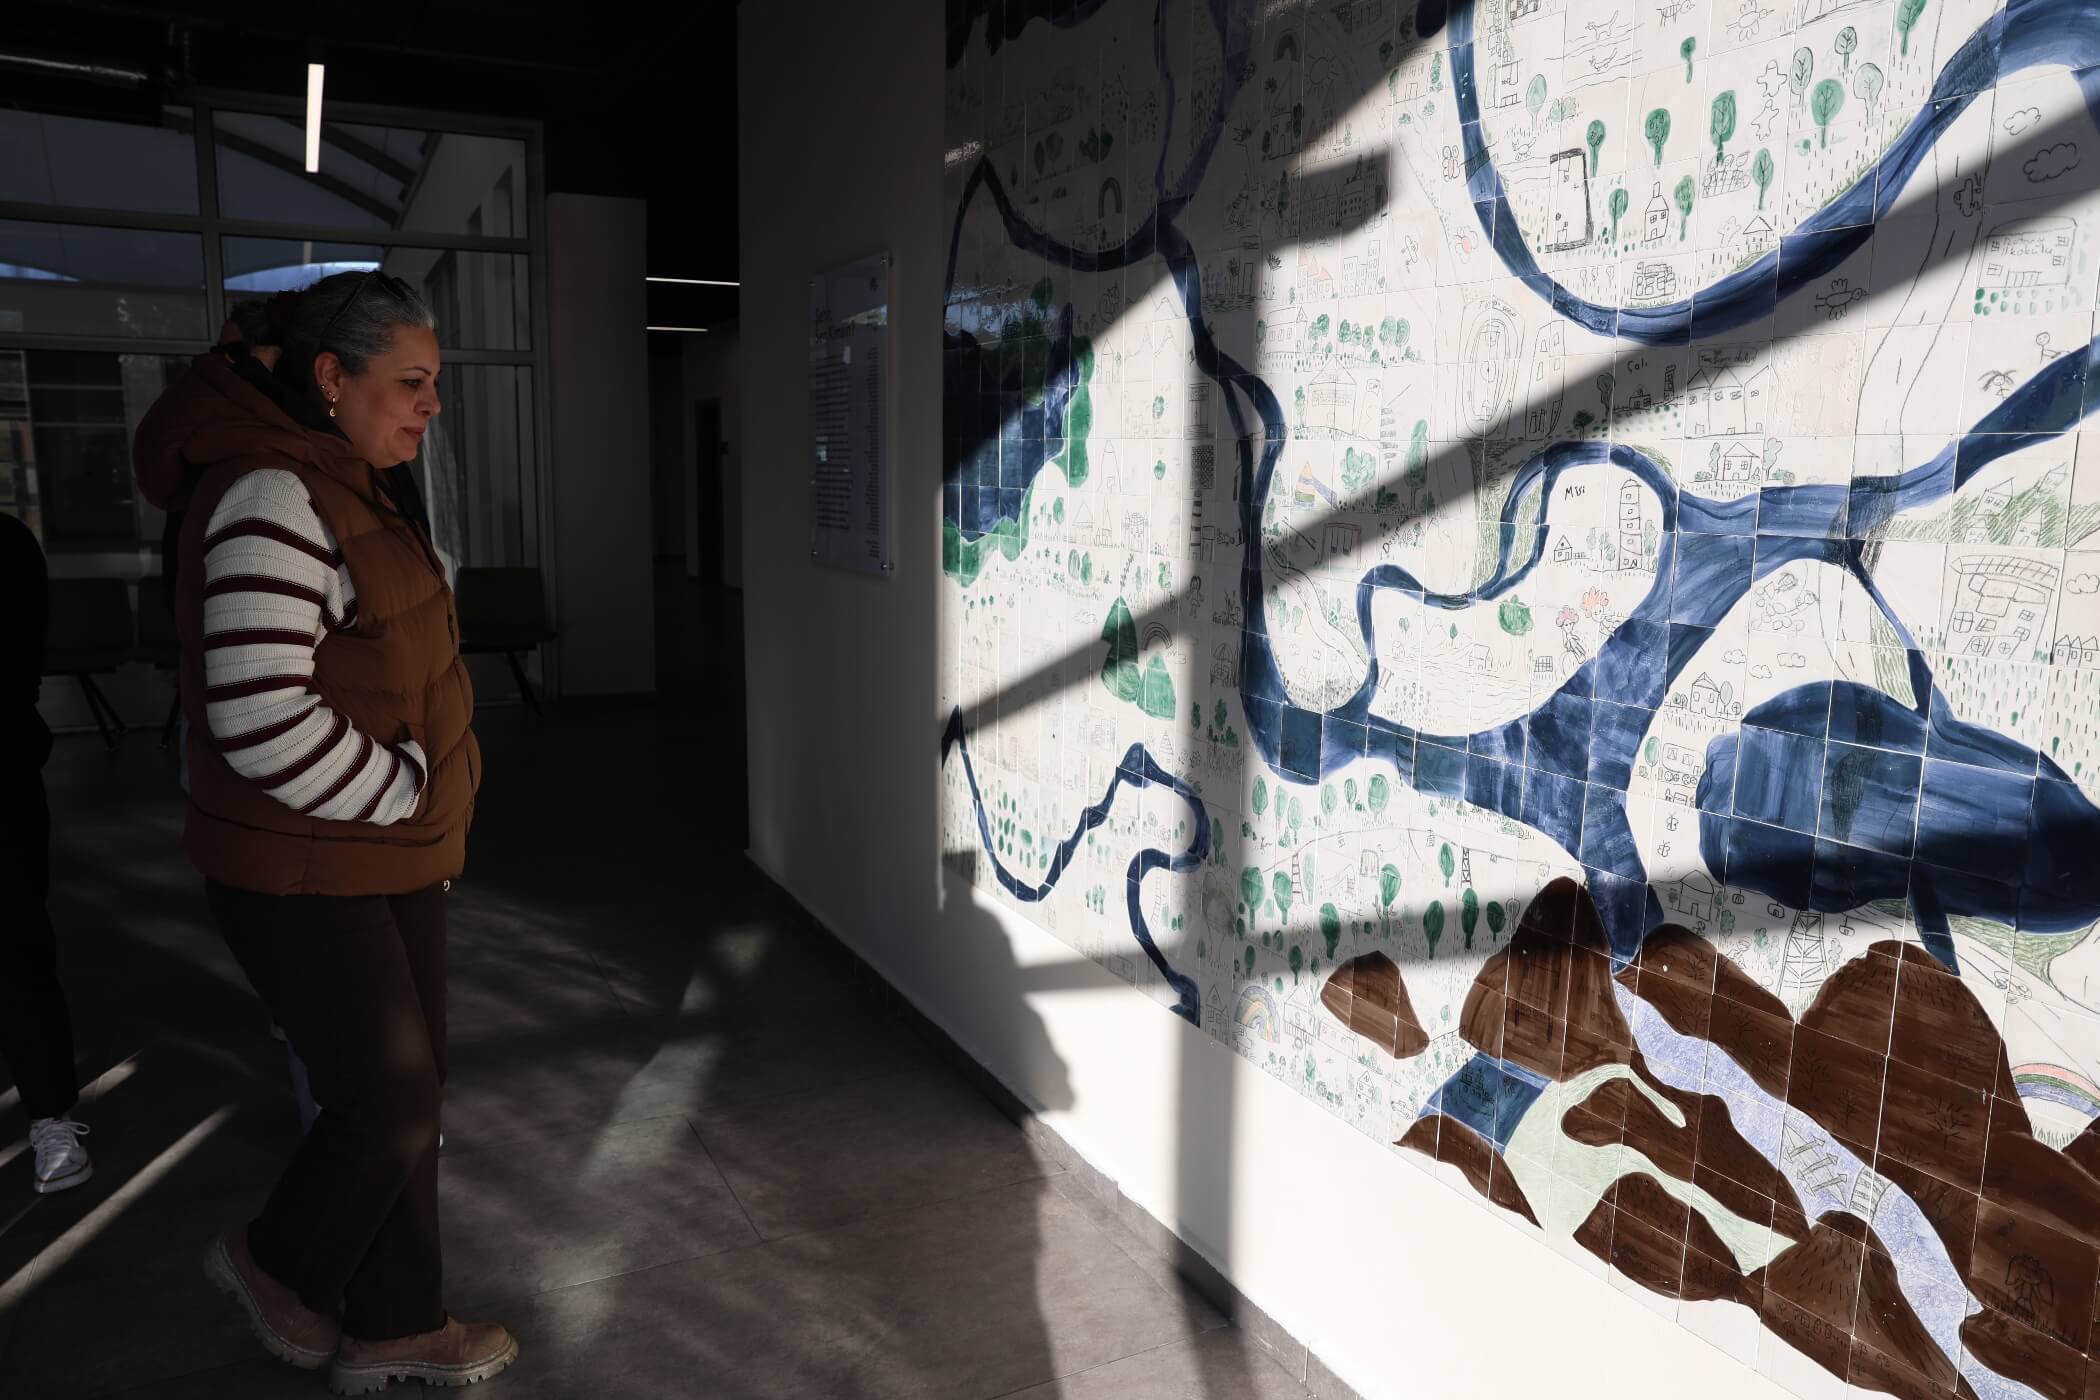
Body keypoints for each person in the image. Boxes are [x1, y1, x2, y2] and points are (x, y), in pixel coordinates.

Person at [135, 269, 513, 1394]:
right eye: (411, 381)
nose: (431, 404)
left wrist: (421, 809)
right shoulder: (273, 493)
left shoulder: (351, 481)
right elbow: (259, 717)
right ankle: (275, 1260)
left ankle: (400, 1322)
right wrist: (404, 790)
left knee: (410, 1102)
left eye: (435, 382)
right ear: (331, 377)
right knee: (386, 1101)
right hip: (305, 862)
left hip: (384, 852)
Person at [0, 508, 91, 1194]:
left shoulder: (7, 547)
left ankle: (50, 1114)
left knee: (16, 953)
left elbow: (15, 676)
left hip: (1, 776)